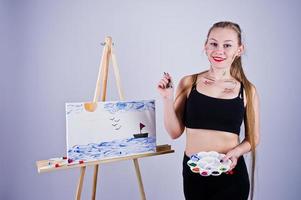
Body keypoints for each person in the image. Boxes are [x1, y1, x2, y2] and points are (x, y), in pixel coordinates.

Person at [157, 21, 260, 200]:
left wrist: (234, 153)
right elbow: (174, 133)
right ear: (205, 46)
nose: (219, 51)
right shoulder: (189, 83)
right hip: (195, 174)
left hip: (231, 174)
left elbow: (253, 139)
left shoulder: (247, 91)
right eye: (213, 44)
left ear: (239, 49)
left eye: (227, 45)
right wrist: (167, 98)